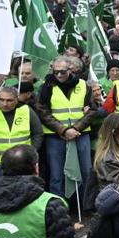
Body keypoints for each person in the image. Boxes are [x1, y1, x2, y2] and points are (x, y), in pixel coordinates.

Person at [37, 56, 98, 208]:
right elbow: (43, 112)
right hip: (55, 136)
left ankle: (86, 205)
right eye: (55, 72)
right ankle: (57, 207)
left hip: (80, 134)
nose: (58, 75)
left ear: (70, 71)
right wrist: (63, 130)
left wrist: (76, 128)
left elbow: (92, 110)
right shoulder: (47, 86)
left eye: (62, 72)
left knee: (85, 170)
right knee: (56, 174)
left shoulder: (84, 85)